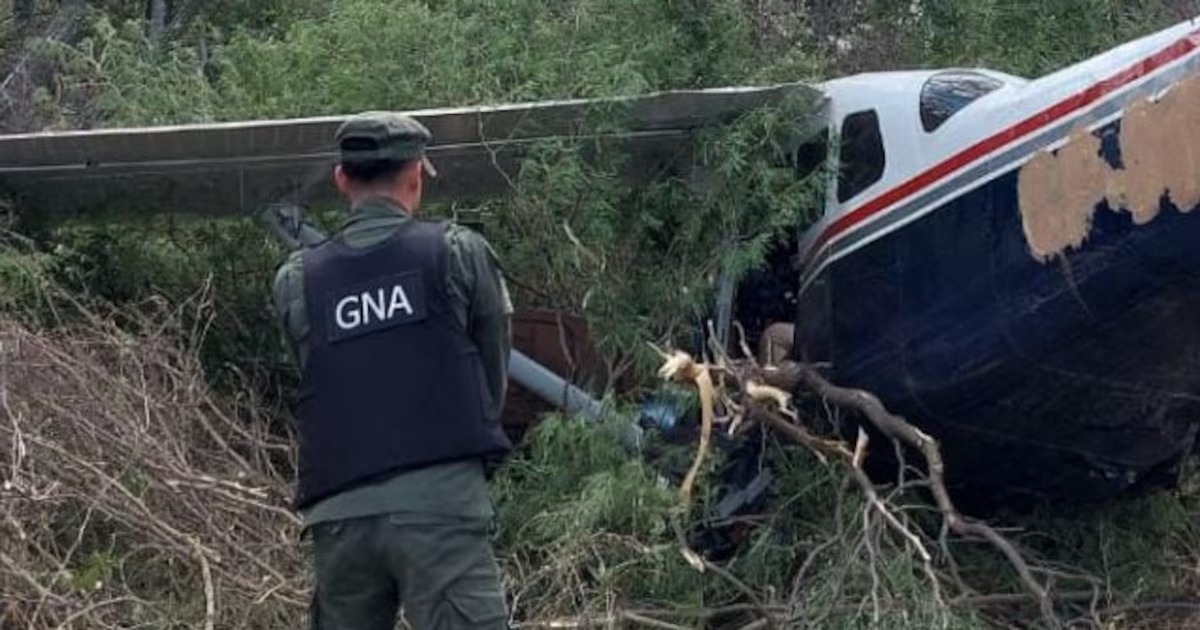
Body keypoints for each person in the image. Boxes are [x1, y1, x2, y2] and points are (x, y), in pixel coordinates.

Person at [271, 111, 514, 630]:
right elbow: (491, 372)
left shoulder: (296, 280)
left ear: (341, 180)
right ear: (416, 176)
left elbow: (320, 374)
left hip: (340, 515)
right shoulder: (458, 254)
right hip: (441, 503)